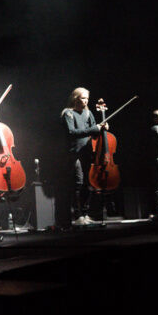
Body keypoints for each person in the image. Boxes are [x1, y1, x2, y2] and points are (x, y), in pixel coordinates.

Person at [61, 87, 108, 226]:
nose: (86, 101)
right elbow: (72, 132)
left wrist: (102, 129)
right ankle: (77, 215)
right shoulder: (67, 113)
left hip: (88, 152)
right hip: (74, 152)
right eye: (83, 98)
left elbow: (94, 131)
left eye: (87, 98)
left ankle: (86, 213)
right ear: (76, 99)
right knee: (78, 183)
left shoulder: (88, 113)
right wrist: (94, 129)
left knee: (88, 184)